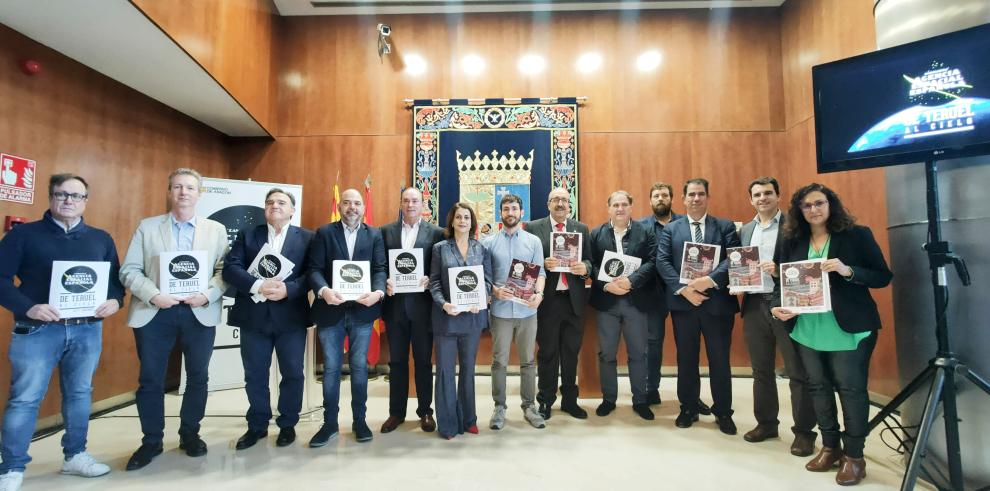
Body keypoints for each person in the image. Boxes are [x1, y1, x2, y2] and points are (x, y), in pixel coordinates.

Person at [0, 174, 124, 490]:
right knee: (25, 398)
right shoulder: (24, 235)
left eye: (76, 196)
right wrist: (29, 307)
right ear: (51, 196)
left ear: (85, 200)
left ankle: (75, 456)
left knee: (80, 393)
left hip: (86, 331)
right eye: (62, 194)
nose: (69, 200)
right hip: (37, 329)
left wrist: (115, 301)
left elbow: (115, 283)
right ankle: (11, 468)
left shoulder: (100, 238)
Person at [771, 183, 892, 486]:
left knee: (850, 391)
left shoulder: (856, 235)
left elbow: (882, 275)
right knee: (818, 388)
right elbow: (782, 282)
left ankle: (854, 457)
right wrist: (779, 307)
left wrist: (847, 270)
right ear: (798, 211)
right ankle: (830, 447)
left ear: (831, 204)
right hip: (807, 328)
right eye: (806, 206)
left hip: (848, 327)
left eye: (819, 203)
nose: (813, 210)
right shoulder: (791, 239)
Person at [119, 168, 229, 470]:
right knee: (151, 379)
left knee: (198, 377)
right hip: (156, 312)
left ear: (199, 193)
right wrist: (154, 295)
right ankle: (151, 441)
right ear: (169, 191)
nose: (183, 192)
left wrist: (207, 295)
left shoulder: (215, 230)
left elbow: (224, 272)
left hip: (199, 311)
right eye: (178, 187)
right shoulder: (147, 227)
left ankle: (190, 434)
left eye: (190, 187)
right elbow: (129, 271)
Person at [222, 188, 314, 450]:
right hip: (254, 317)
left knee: (293, 374)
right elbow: (231, 268)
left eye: (282, 202)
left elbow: (312, 273)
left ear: (292, 210)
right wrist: (257, 286)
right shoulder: (248, 235)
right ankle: (257, 425)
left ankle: (288, 425)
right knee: (254, 374)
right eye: (270, 202)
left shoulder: (307, 238)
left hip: (291, 317)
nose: (275, 206)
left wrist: (290, 289)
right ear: (265, 209)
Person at [738, 177, 817, 456]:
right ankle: (767, 424)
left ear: (778, 196)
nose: (762, 198)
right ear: (751, 199)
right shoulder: (746, 230)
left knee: (797, 371)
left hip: (786, 304)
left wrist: (779, 269)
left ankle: (805, 433)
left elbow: (808, 262)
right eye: (757, 194)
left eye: (768, 193)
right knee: (761, 370)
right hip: (753, 305)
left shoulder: (794, 226)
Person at [656, 178, 741, 435]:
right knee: (687, 359)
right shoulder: (672, 229)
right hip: (685, 305)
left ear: (707, 197)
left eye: (700, 194)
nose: (696, 198)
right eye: (691, 194)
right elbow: (662, 262)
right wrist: (686, 290)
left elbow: (734, 257)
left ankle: (723, 412)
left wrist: (710, 280)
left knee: (719, 361)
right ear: (683, 199)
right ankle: (689, 408)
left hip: (718, 305)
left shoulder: (724, 226)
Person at [306, 188, 387, 446]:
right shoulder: (324, 233)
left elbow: (379, 268)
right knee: (331, 369)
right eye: (347, 203)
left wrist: (378, 291)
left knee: (360, 367)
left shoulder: (374, 234)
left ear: (364, 208)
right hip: (331, 310)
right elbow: (314, 269)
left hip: (363, 313)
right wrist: (323, 291)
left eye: (357, 203)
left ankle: (359, 421)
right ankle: (329, 424)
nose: (352, 207)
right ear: (340, 207)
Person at [588, 190, 658, 421]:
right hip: (607, 302)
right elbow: (593, 265)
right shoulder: (597, 233)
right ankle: (609, 399)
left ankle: (640, 400)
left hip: (635, 301)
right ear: (608, 208)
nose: (620, 209)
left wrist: (631, 281)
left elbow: (652, 262)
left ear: (631, 207)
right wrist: (607, 286)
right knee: (606, 353)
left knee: (638, 353)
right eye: (615, 205)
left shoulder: (645, 231)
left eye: (624, 204)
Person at [380, 187, 444, 433]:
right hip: (395, 307)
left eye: (415, 201)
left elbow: (440, 267)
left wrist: (430, 279)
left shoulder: (436, 233)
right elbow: (379, 265)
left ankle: (425, 411)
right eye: (406, 201)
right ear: (400, 204)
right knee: (396, 362)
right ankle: (396, 413)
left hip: (423, 309)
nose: (410, 205)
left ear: (422, 204)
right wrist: (383, 280)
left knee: (423, 362)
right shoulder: (385, 232)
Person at [526, 188, 592, 420]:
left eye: (564, 200)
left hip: (574, 301)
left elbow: (590, 261)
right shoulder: (534, 228)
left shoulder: (581, 229)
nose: (561, 204)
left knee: (571, 352)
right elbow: (527, 264)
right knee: (548, 353)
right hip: (548, 301)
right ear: (548, 204)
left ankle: (570, 401)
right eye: (556, 200)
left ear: (569, 204)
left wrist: (585, 268)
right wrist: (542, 263)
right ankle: (545, 400)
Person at [429, 203, 493, 440]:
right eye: (459, 217)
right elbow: (434, 282)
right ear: (452, 221)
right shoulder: (440, 249)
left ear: (472, 222)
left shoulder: (481, 249)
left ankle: (469, 419)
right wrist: (444, 303)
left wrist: (482, 297)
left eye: (467, 217)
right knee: (445, 372)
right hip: (447, 318)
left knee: (468, 371)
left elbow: (487, 281)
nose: (463, 221)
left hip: (472, 319)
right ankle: (446, 424)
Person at [484, 194, 547, 430]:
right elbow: (484, 276)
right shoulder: (488, 242)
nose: (510, 213)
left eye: (514, 208)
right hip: (500, 311)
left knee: (528, 362)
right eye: (506, 209)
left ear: (522, 212)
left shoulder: (533, 241)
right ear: (501, 213)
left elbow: (540, 273)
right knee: (499, 362)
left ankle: (529, 407)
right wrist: (494, 291)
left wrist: (539, 295)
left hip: (527, 312)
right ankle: (499, 407)